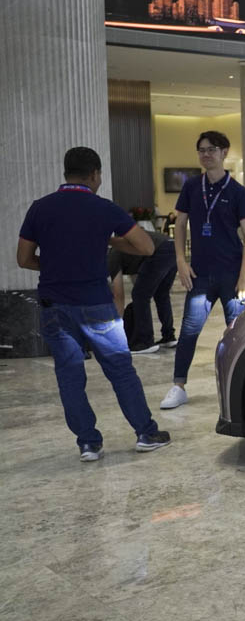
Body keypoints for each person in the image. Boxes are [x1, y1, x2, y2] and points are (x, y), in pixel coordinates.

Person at [16, 146, 172, 460]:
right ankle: (145, 433)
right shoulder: (103, 208)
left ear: (66, 173)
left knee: (69, 376)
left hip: (54, 305)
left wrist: (57, 266)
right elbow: (146, 247)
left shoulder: (40, 208)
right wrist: (110, 239)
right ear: (94, 174)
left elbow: (24, 258)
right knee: (121, 370)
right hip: (97, 306)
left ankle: (87, 443)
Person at [161, 131, 245, 410]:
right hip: (200, 274)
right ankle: (178, 386)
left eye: (211, 149)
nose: (206, 154)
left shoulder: (238, 192)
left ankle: (243, 388)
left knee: (238, 333)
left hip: (232, 275)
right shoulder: (192, 187)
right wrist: (181, 261)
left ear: (224, 152)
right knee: (189, 331)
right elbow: (180, 224)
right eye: (201, 150)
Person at [108, 229, 177, 354]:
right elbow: (140, 280)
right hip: (173, 246)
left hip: (159, 250)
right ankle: (168, 336)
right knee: (161, 295)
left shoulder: (112, 256)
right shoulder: (123, 253)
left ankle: (144, 342)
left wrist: (117, 331)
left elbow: (119, 296)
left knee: (140, 296)